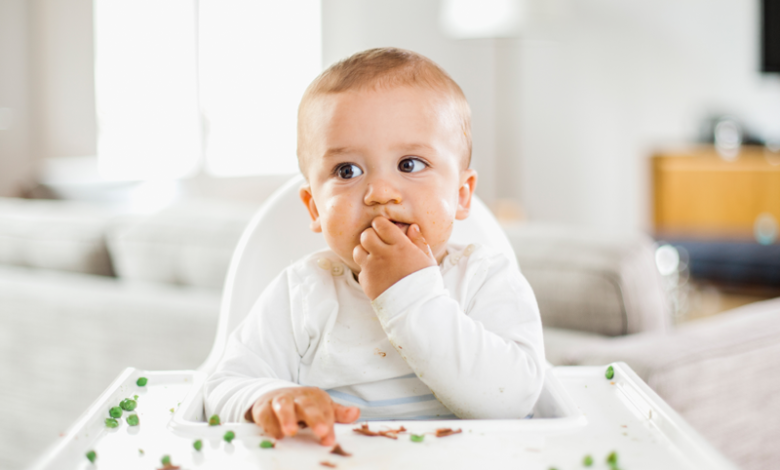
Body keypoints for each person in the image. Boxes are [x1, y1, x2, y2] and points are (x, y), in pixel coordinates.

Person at [204, 47, 545, 446]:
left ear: (462, 194)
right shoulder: (303, 292)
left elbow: (515, 399)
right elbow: (224, 384)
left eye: (410, 164)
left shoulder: (485, 280)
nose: (380, 193)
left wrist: (410, 294)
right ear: (314, 207)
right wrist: (269, 397)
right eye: (347, 171)